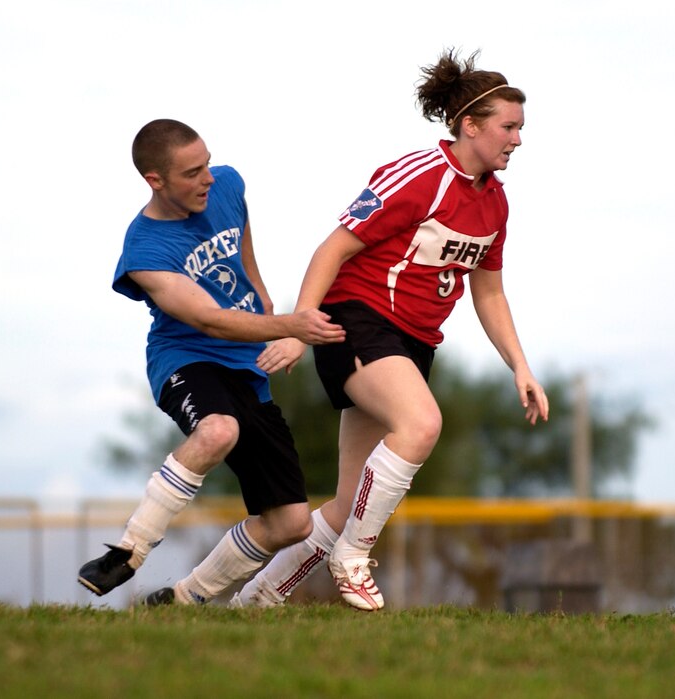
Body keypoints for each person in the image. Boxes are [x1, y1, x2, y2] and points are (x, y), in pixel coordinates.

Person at [232, 49, 549, 611]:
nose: (518, 139)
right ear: (470, 125)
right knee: (422, 422)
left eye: (521, 128)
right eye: (509, 126)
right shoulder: (419, 176)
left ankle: (249, 599)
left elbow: (489, 291)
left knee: (350, 498)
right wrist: (300, 326)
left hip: (412, 344)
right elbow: (333, 246)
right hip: (356, 321)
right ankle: (353, 557)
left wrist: (520, 366)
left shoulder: (495, 202)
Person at [77, 119, 345, 605]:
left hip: (247, 365)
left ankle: (184, 600)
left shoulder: (228, 184)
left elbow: (242, 249)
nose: (207, 179)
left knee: (291, 524)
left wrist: (263, 300)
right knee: (219, 430)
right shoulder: (145, 251)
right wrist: (292, 325)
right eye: (191, 173)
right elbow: (211, 321)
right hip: (187, 359)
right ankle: (128, 552)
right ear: (154, 180)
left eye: (206, 164)